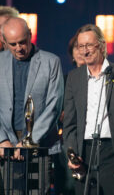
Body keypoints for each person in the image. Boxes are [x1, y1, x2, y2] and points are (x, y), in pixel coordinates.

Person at [0, 17, 64, 193]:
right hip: (6, 145)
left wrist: (28, 141)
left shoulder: (51, 61)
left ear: (30, 35)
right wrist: (2, 139)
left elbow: (54, 106)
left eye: (22, 42)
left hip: (39, 143)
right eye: (13, 44)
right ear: (4, 41)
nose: (19, 48)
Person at [63, 24, 114, 195]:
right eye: (81, 46)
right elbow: (69, 122)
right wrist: (72, 154)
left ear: (102, 45)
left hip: (113, 152)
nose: (85, 51)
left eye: (89, 45)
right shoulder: (74, 78)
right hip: (84, 154)